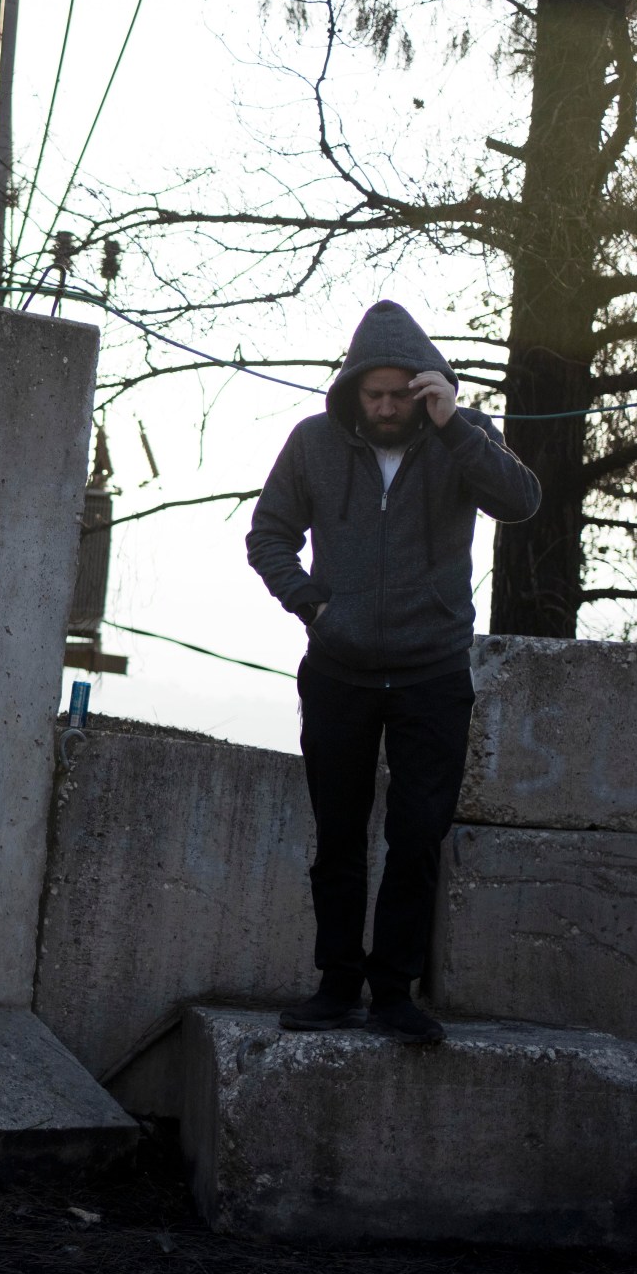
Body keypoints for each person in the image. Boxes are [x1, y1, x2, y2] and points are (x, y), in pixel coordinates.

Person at [246, 301, 541, 1045]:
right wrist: (313, 606)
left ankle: (395, 994)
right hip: (339, 669)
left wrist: (453, 426)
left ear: (423, 389)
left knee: (416, 836)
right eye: (372, 395)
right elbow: (270, 535)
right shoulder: (313, 443)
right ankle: (337, 983)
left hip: (432, 673)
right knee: (339, 835)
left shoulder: (464, 438)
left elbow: (520, 500)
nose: (384, 407)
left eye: (398, 394)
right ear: (353, 391)